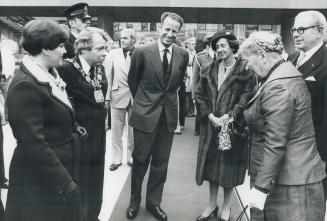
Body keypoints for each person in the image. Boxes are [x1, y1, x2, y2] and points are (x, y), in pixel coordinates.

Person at [240, 31, 326, 221]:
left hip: (289, 185)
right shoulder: (283, 74)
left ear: (262, 56)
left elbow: (275, 142)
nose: (246, 66)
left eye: (247, 60)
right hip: (290, 178)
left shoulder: (277, 85)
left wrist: (260, 188)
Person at [5, 19, 84, 221]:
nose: (64, 51)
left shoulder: (48, 73)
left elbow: (53, 114)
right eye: (60, 46)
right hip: (41, 178)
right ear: (46, 49)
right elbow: (33, 142)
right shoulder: (25, 85)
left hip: (54, 171)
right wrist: (65, 181)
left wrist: (72, 125)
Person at [126, 12, 189, 221]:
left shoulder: (183, 54)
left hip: (168, 117)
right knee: (140, 161)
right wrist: (145, 104)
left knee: (161, 163)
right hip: (145, 115)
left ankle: (153, 203)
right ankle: (134, 202)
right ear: (159, 27)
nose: (170, 34)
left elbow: (177, 84)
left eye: (175, 31)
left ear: (178, 32)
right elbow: (133, 83)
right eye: (167, 29)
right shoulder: (141, 52)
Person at [194, 30, 256, 221]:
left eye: (223, 46)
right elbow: (199, 94)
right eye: (216, 46)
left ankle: (227, 205)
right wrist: (210, 116)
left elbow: (247, 98)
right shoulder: (208, 68)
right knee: (211, 167)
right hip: (211, 127)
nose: (219, 49)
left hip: (232, 129)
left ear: (232, 47)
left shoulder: (245, 70)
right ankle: (212, 204)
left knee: (228, 169)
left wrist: (229, 118)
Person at [58, 27, 109, 221]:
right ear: (83, 49)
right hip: (80, 136)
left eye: (106, 48)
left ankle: (93, 215)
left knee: (97, 179)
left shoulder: (99, 67)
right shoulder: (66, 69)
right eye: (100, 48)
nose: (105, 53)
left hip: (98, 135)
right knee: (81, 180)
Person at [287, 10, 327, 198]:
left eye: (302, 29)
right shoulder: (292, 58)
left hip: (314, 150)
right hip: (289, 146)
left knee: (312, 203)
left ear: (319, 31)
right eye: (294, 29)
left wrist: (323, 155)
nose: (295, 34)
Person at [104, 28, 135, 171]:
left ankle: (131, 156)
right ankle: (116, 159)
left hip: (135, 98)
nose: (122, 40)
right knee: (116, 130)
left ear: (133, 40)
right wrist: (107, 97)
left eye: (126, 38)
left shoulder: (139, 54)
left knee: (133, 130)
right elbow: (107, 77)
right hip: (117, 95)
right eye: (121, 38)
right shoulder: (112, 54)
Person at [192, 33, 215, 136]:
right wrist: (194, 95)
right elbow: (195, 78)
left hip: (216, 92)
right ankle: (198, 130)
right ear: (207, 45)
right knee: (201, 113)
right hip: (203, 91)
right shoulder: (200, 57)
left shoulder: (222, 56)